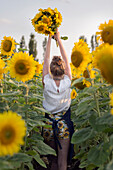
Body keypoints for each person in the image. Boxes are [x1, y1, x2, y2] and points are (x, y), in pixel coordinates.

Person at [42, 28, 74, 170]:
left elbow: (46, 58)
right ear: (63, 70)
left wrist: (49, 38)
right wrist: (58, 39)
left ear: (50, 69)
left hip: (48, 124)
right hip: (63, 125)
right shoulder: (68, 81)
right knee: (62, 162)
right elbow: (67, 60)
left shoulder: (46, 82)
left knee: (52, 161)